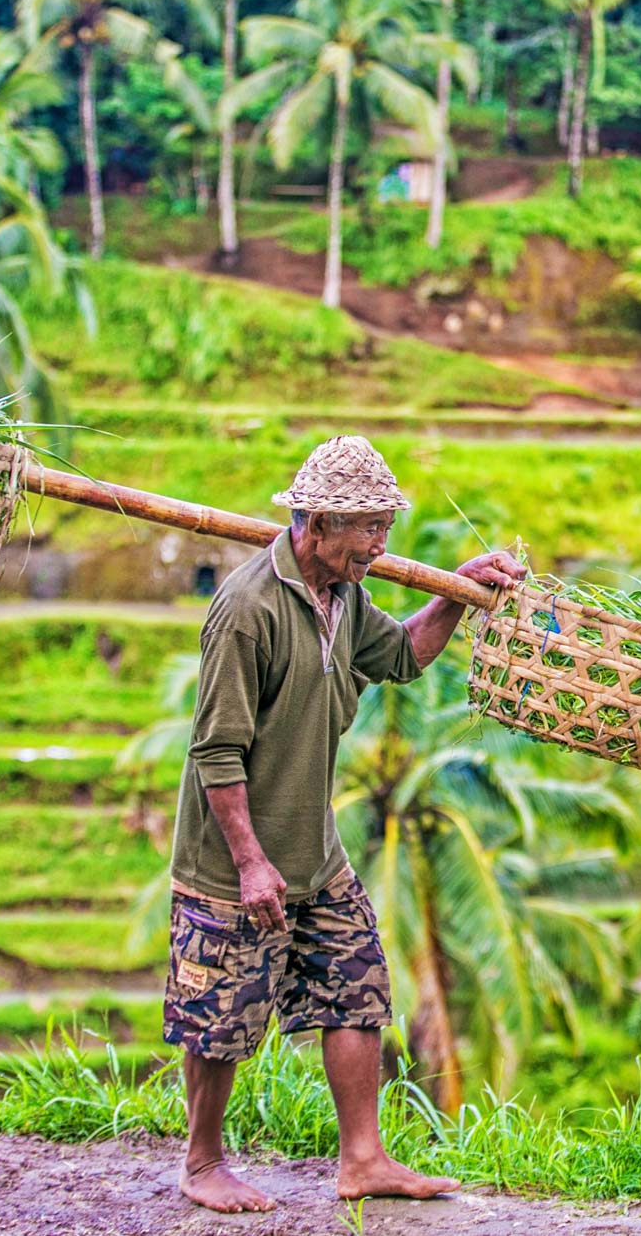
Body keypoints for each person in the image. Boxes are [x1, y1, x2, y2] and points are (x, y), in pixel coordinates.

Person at [163, 435, 525, 1214]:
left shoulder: (344, 597)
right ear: (316, 525)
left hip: (314, 851)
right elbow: (216, 752)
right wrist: (252, 864)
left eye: (385, 527)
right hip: (233, 861)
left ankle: (362, 1159)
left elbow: (402, 657)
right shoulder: (247, 610)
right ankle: (201, 1163)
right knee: (219, 1019)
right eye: (366, 528)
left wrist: (453, 593)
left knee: (355, 987)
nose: (379, 544)